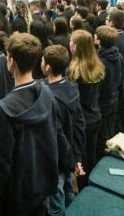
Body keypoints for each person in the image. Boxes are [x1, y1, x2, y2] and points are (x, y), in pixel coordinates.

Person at [0, 33, 66, 215]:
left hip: (18, 196)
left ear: (11, 61)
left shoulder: (4, 109)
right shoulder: (47, 93)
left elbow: (2, 162)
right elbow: (56, 135)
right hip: (44, 183)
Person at [42, 45, 86, 215]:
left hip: (57, 157)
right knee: (68, 188)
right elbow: (80, 124)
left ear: (47, 67)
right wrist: (76, 155)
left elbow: (57, 135)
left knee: (55, 200)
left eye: (43, 60)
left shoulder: (48, 97)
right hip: (70, 154)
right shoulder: (72, 87)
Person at [69, 29, 104, 184]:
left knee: (79, 159)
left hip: (81, 121)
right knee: (90, 155)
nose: (69, 43)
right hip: (95, 115)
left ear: (76, 47)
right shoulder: (98, 66)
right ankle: (89, 184)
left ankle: (83, 188)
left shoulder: (73, 71)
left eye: (71, 41)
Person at [94, 26, 124, 161]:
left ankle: (103, 161)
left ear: (99, 41)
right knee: (109, 132)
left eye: (96, 36)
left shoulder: (99, 62)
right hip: (114, 99)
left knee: (101, 138)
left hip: (102, 104)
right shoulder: (120, 57)